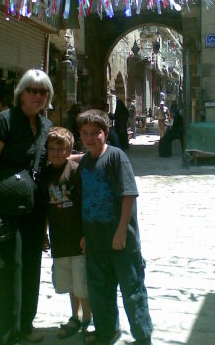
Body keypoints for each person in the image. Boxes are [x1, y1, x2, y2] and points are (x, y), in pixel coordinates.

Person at [0, 69, 54, 345]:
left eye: (42, 91)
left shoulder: (46, 125)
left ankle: (25, 325)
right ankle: (5, 332)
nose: (37, 95)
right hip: (6, 209)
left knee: (31, 266)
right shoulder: (4, 121)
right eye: (32, 90)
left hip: (34, 210)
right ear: (21, 93)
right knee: (7, 269)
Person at [76, 109, 153, 345]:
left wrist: (121, 231)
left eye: (95, 133)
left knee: (132, 290)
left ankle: (142, 336)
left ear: (106, 133)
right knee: (100, 291)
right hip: (95, 239)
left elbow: (129, 195)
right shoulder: (85, 163)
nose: (90, 138)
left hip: (122, 240)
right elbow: (83, 200)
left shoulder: (116, 157)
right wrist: (84, 235)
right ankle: (106, 332)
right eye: (85, 133)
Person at [41, 127, 94, 343]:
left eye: (60, 149)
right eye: (51, 149)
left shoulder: (76, 171)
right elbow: (45, 207)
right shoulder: (44, 175)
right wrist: (44, 233)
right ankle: (76, 315)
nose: (55, 153)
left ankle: (88, 318)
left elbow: (86, 204)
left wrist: (87, 234)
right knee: (70, 283)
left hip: (78, 238)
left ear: (69, 150)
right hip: (59, 239)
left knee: (82, 282)